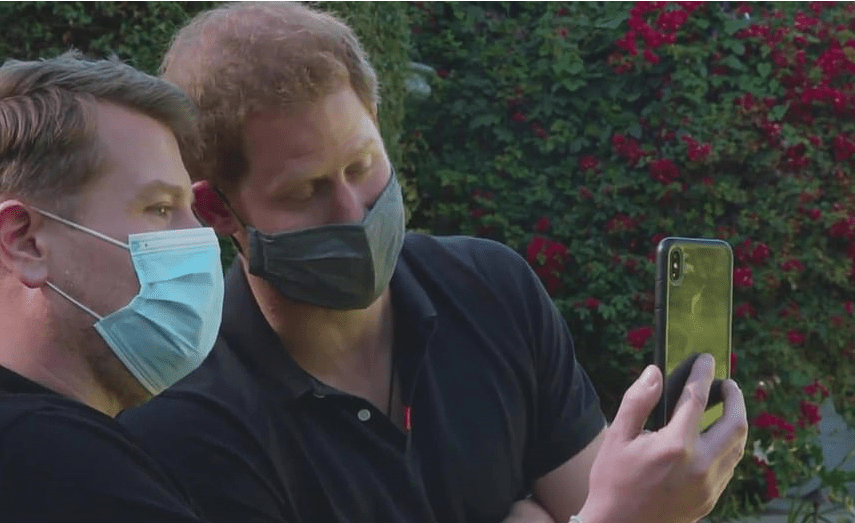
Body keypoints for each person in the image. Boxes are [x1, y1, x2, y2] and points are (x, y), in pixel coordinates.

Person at [118, 3, 749, 523]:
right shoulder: (189, 418)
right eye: (305, 192)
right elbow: (604, 510)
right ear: (217, 208)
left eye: (362, 164)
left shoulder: (492, 289)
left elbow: (583, 498)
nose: (353, 210)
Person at [0, 51, 223, 522]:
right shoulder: (63, 470)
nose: (201, 238)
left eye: (193, 210)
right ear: (26, 242)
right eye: (160, 209)